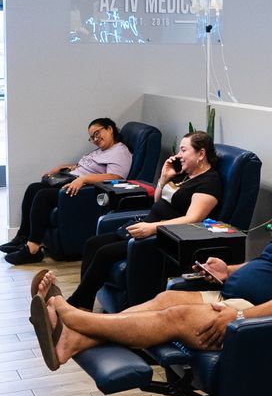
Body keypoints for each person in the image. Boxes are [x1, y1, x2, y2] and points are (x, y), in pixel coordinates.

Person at [28, 169, 272, 373]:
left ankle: (73, 318)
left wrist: (241, 319)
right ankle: (71, 341)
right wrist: (229, 269)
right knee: (166, 296)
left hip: (256, 318)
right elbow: (271, 266)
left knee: (174, 315)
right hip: (233, 295)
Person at [64, 130, 221, 310]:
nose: (178, 155)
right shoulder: (184, 174)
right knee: (92, 244)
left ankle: (75, 305)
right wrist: (164, 177)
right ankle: (84, 304)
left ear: (201, 154)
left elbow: (192, 219)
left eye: (184, 150)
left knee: (104, 253)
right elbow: (158, 201)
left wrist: (152, 228)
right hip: (147, 224)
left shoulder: (209, 182)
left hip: (164, 237)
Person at [0, 117, 132, 265]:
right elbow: (82, 166)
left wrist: (83, 179)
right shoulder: (101, 151)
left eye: (97, 133)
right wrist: (62, 168)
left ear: (109, 129)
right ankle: (22, 237)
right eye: (92, 137)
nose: (95, 138)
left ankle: (32, 250)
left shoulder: (120, 151)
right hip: (72, 181)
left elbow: (116, 177)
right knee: (33, 188)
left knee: (43, 196)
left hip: (84, 191)